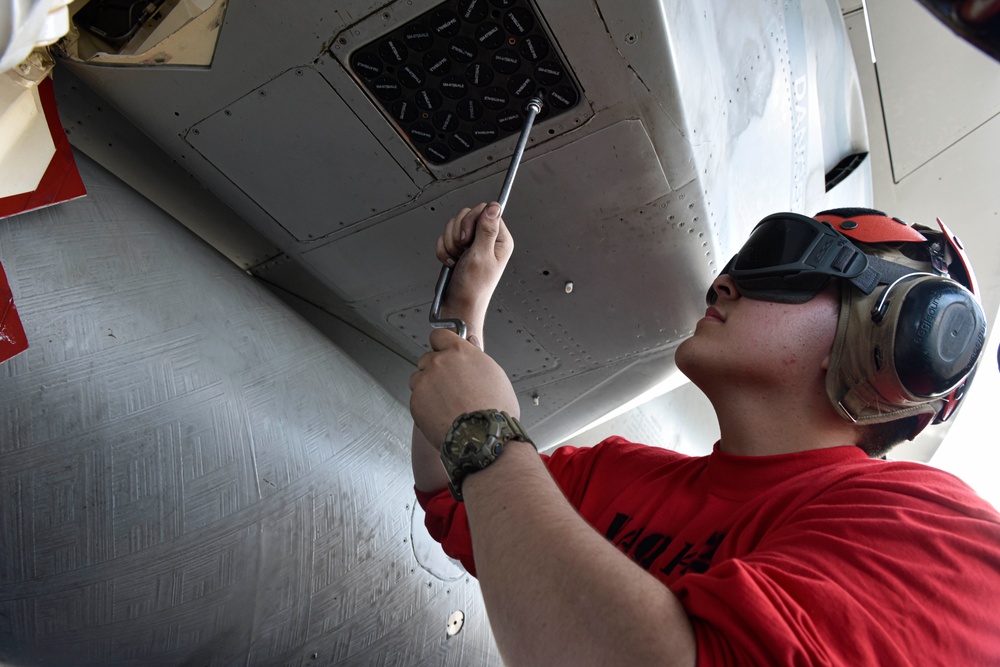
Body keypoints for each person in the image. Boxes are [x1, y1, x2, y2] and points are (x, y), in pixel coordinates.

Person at [408, 202, 1000, 666]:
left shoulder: (933, 533)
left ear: (889, 334)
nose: (722, 282)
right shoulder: (616, 476)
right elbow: (452, 494)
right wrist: (466, 313)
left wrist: (487, 441)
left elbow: (479, 466)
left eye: (785, 259)